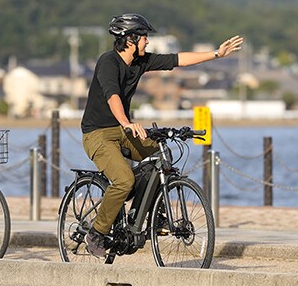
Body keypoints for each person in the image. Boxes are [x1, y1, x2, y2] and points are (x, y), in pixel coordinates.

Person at [81, 13, 243, 258]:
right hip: (98, 133)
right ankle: (96, 232)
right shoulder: (108, 62)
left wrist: (217, 54)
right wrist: (126, 122)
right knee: (124, 180)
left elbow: (178, 59)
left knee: (160, 155)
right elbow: (112, 95)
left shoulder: (140, 62)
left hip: (124, 129)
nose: (147, 42)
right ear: (130, 39)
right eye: (144, 37)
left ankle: (149, 212)